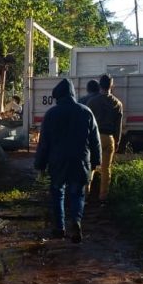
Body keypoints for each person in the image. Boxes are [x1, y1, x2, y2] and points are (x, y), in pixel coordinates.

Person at [34, 78, 101, 243]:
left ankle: (59, 227)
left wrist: (40, 165)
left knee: (58, 193)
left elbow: (44, 143)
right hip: (80, 160)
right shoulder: (86, 112)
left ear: (59, 97)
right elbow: (95, 140)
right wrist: (95, 163)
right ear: (72, 93)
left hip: (58, 162)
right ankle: (76, 222)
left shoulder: (51, 114)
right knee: (77, 193)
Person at [86, 73, 123, 205]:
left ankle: (86, 194)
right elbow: (118, 126)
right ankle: (103, 197)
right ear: (111, 85)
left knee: (91, 166)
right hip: (109, 138)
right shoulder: (117, 103)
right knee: (106, 168)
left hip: (94, 138)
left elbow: (87, 123)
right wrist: (117, 141)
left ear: (99, 85)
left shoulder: (92, 102)